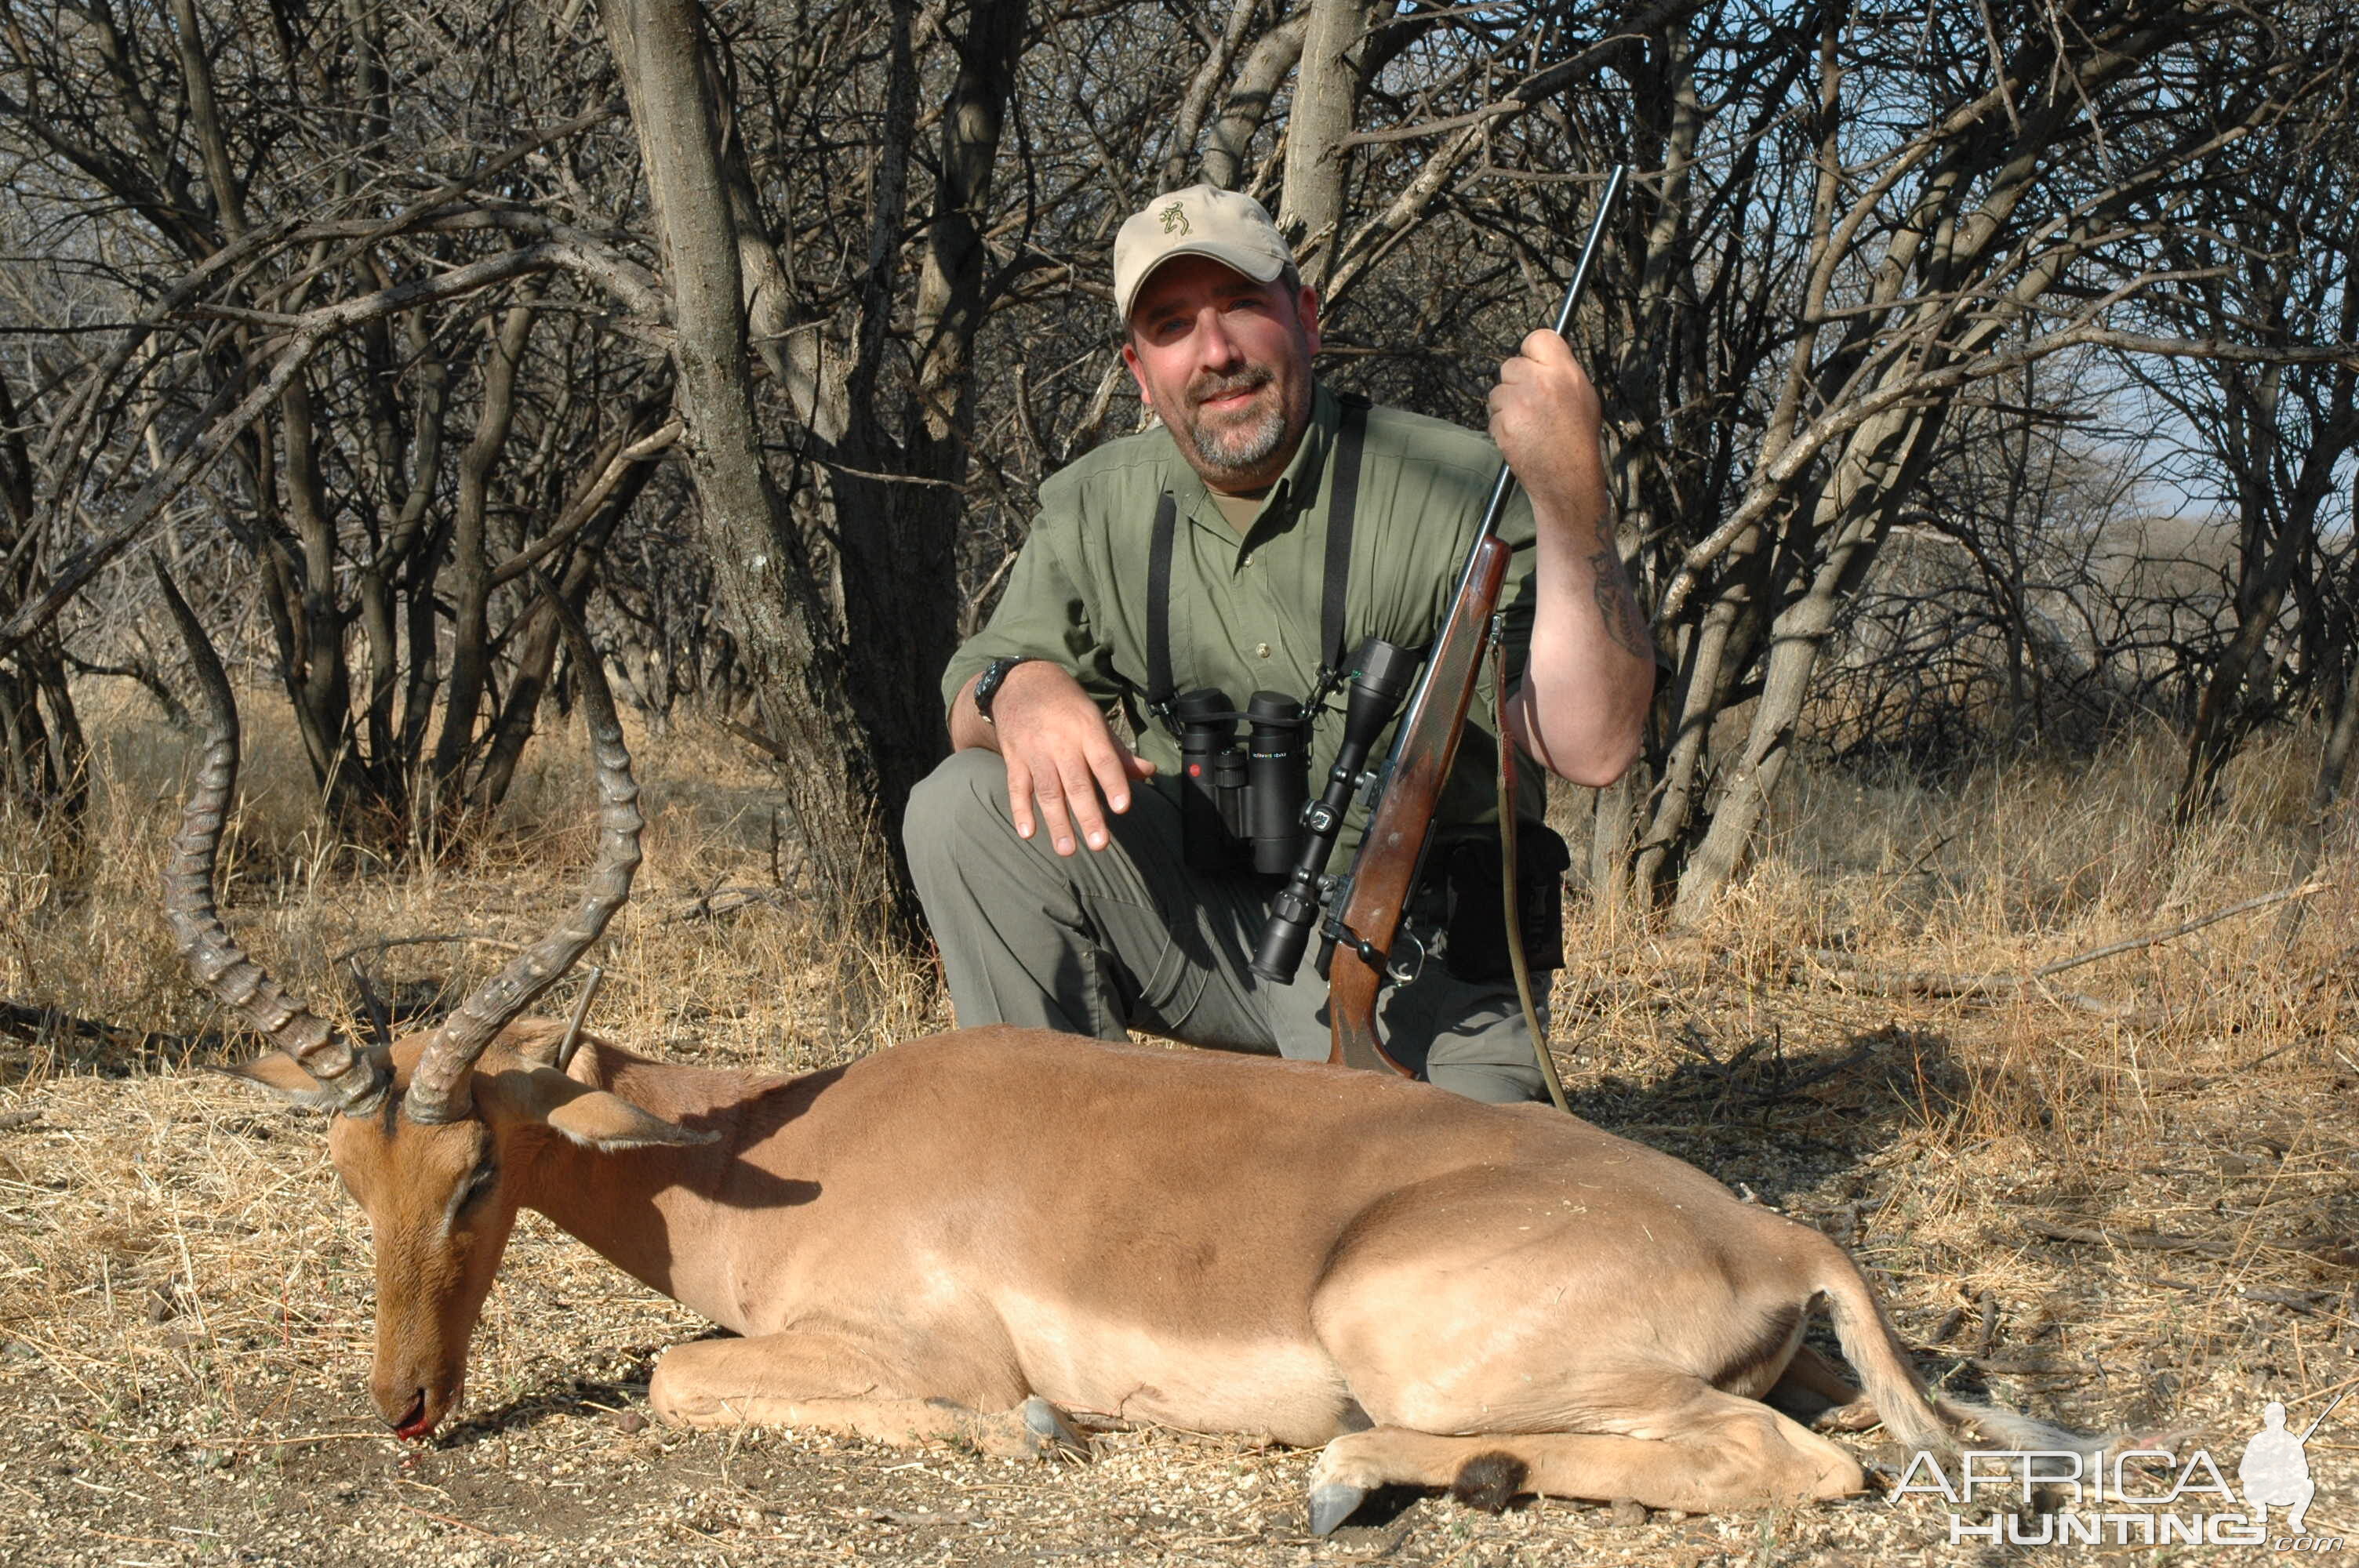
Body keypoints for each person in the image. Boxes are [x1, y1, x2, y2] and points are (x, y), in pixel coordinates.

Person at [904, 183, 1652, 1102]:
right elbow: (967, 690)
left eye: (1242, 308)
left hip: (1420, 973)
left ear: (1304, 317)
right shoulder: (1091, 504)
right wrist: (1015, 690)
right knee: (959, 806)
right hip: (1208, 936)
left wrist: (1575, 499)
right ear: (1139, 370)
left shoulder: (1463, 489)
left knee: (1463, 1225)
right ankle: (1054, 1156)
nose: (1214, 353)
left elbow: (1597, 741)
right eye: (1172, 325)